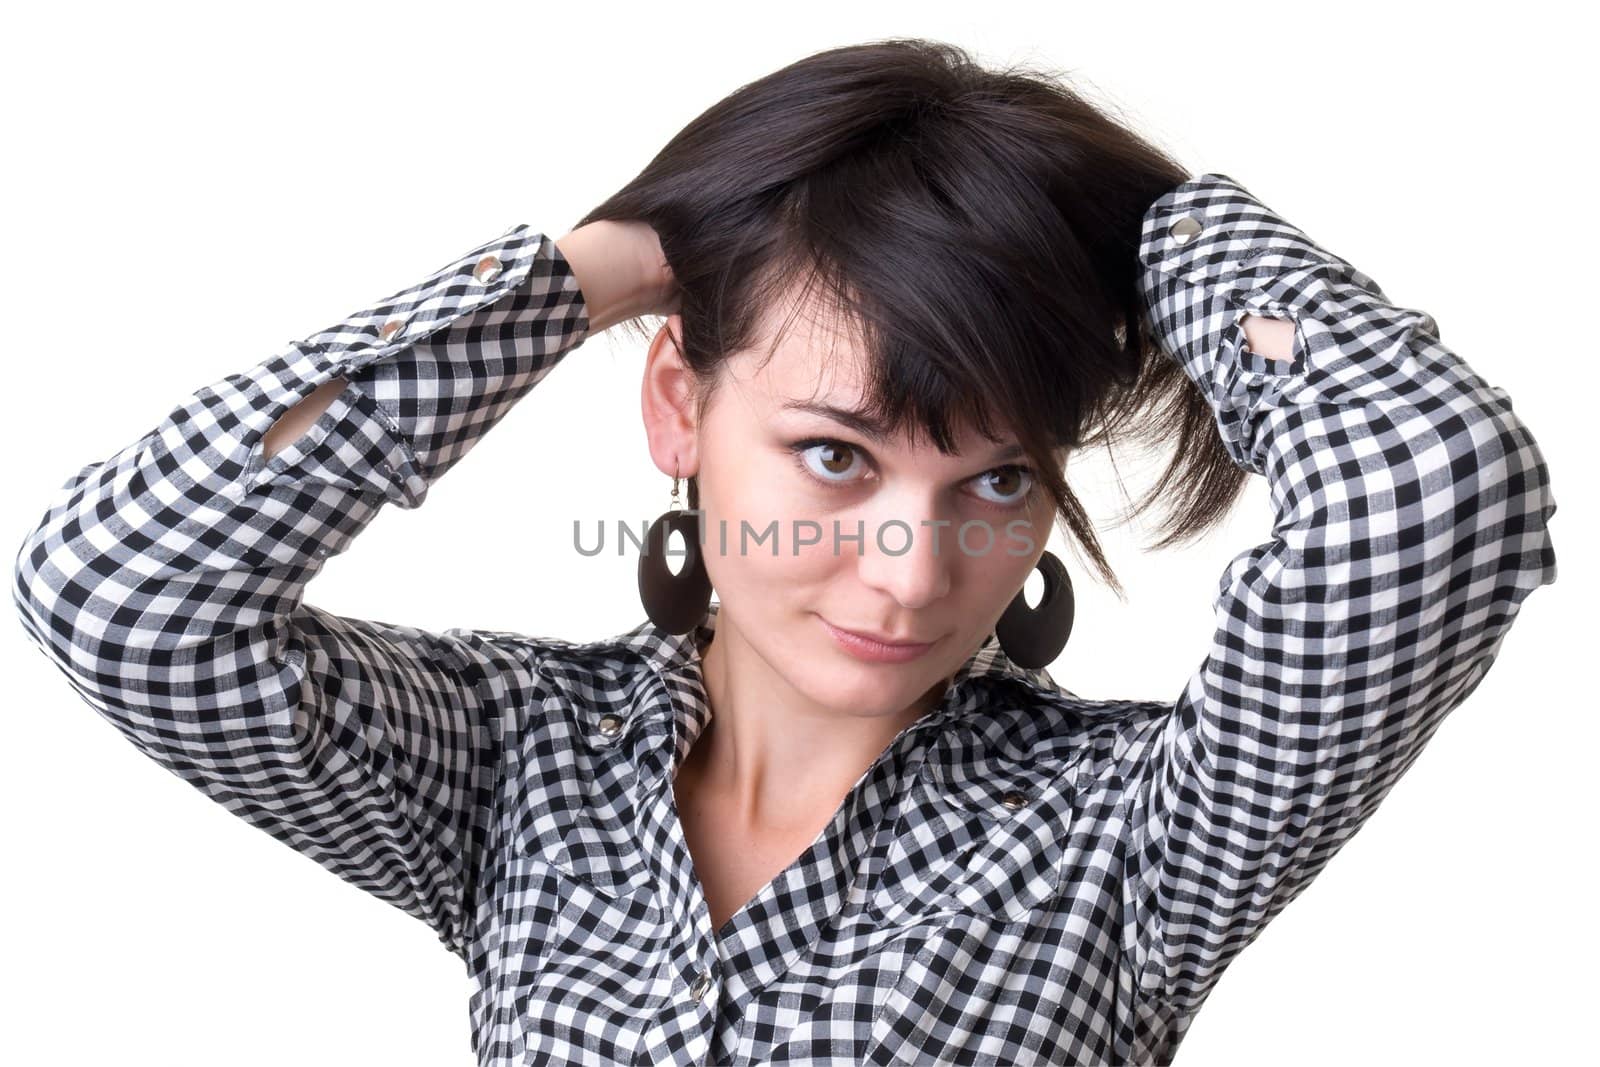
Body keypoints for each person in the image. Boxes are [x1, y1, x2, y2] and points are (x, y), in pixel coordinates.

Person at [11, 38, 1557, 1067]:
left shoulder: (1141, 837)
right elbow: (124, 590)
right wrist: (598, 267)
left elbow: (1440, 492)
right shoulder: (516, 773)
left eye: (996, 476)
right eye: (835, 455)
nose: (907, 568)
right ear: (680, 405)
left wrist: (1148, 226)